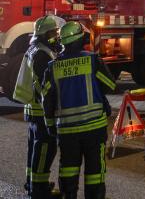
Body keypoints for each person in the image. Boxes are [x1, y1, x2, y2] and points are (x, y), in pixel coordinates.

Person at [42, 21, 116, 199]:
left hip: (67, 130)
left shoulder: (52, 67)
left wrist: (50, 125)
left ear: (62, 42)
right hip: (94, 128)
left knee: (68, 170)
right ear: (81, 39)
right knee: (95, 172)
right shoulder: (92, 60)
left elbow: (46, 99)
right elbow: (111, 86)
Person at [13, 15, 65, 199]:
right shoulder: (42, 54)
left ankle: (33, 183)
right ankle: (39, 191)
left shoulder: (36, 48)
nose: (56, 36)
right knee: (44, 151)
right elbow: (46, 88)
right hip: (41, 112)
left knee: (35, 150)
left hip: (33, 109)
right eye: (54, 33)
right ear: (45, 34)